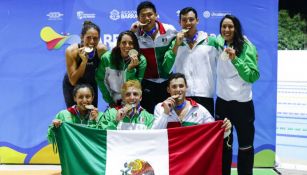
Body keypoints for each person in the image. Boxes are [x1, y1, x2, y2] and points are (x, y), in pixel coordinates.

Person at [214, 15, 260, 175]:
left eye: (230, 27)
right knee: (224, 145)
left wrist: (236, 60)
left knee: (245, 146)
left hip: (242, 105)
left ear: (237, 28)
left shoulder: (247, 46)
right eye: (224, 27)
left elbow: (253, 76)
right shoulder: (219, 42)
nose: (227, 30)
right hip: (222, 103)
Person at [163, 7, 218, 116]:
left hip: (205, 95)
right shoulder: (175, 42)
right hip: (182, 96)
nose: (188, 23)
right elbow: (167, 68)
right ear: (179, 22)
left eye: (191, 19)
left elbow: (226, 58)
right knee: (186, 131)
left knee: (206, 132)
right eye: (184, 20)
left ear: (197, 20)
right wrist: (176, 45)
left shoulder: (210, 40)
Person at [130, 1, 177, 113]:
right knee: (149, 118)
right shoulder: (135, 35)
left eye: (150, 14)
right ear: (138, 18)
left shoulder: (169, 30)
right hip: (146, 83)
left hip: (167, 82)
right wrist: (132, 32)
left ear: (156, 15)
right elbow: (123, 47)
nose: (147, 18)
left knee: (168, 117)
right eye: (143, 15)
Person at [152, 73, 231, 138]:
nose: (178, 89)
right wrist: (165, 113)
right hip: (169, 155)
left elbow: (215, 133)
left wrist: (226, 129)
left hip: (191, 156)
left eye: (181, 86)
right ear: (168, 90)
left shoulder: (200, 110)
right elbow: (154, 134)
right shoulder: (160, 108)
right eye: (174, 87)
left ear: (186, 87)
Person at [95, 30, 147, 107]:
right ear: (119, 44)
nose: (127, 46)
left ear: (135, 45)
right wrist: (109, 100)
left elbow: (135, 85)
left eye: (131, 43)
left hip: (132, 99)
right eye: (124, 43)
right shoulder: (107, 58)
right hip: (113, 99)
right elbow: (100, 79)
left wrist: (130, 69)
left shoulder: (141, 60)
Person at [62, 21, 107, 107]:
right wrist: (84, 62)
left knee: (92, 113)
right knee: (74, 115)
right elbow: (73, 81)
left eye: (95, 38)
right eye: (88, 38)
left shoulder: (101, 50)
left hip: (91, 82)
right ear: (82, 37)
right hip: (72, 84)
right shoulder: (72, 51)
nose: (92, 41)